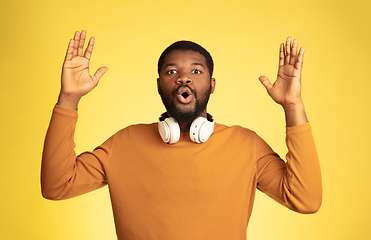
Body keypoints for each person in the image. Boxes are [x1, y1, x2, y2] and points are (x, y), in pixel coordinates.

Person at [41, 30, 322, 240]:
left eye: (195, 71)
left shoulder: (246, 145)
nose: (183, 78)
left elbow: (305, 200)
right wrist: (68, 98)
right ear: (159, 85)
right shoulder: (124, 143)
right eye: (172, 71)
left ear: (211, 85)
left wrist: (293, 106)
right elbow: (56, 186)